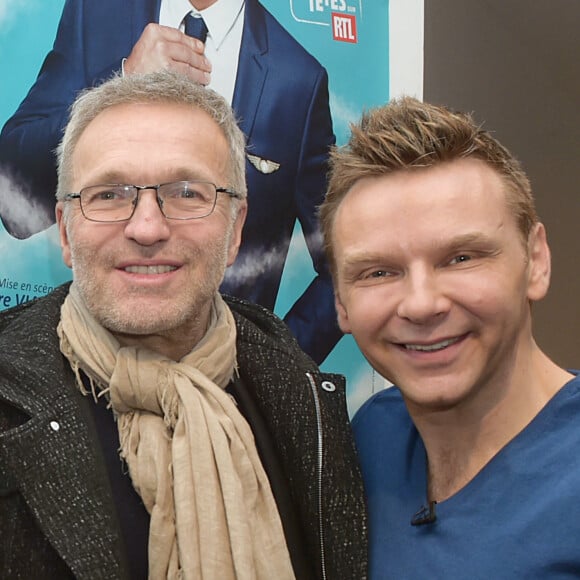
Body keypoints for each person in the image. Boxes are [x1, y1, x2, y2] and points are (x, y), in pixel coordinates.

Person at [0, 70, 367, 579]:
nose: (147, 227)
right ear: (65, 231)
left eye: (187, 193)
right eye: (109, 194)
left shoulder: (301, 395)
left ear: (236, 230)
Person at [319, 96, 580, 578]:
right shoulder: (371, 439)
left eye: (461, 258)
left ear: (536, 262)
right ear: (340, 303)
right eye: (378, 272)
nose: (421, 304)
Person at [0, 0, 340, 364]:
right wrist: (122, 79)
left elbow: (343, 263)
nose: (149, 230)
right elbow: (14, 203)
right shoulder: (96, 11)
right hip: (81, 372)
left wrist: (272, 369)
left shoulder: (297, 79)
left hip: (221, 399)